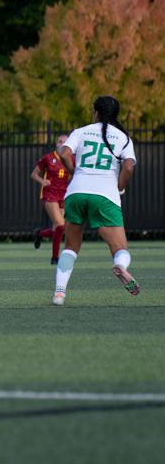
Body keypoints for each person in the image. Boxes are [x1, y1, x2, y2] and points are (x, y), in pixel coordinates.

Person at [51, 96, 138, 307]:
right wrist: (119, 186)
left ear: (95, 112)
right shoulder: (123, 137)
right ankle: (120, 266)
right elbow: (128, 167)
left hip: (76, 192)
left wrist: (74, 171)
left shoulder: (81, 131)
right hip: (105, 194)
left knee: (70, 247)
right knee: (119, 248)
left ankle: (59, 294)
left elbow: (63, 153)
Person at [30, 134, 71, 264]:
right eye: (59, 142)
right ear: (56, 144)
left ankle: (40, 234)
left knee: (58, 229)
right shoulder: (48, 158)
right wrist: (42, 181)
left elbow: (72, 175)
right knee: (60, 225)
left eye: (64, 142)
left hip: (63, 196)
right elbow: (34, 174)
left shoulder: (71, 159)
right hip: (50, 195)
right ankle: (55, 258)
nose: (61, 144)